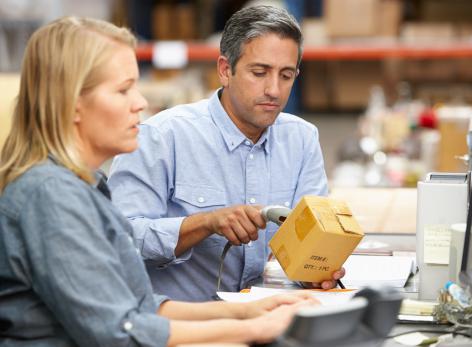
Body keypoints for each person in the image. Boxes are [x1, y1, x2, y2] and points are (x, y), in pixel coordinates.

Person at [0, 16, 318, 346]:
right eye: (123, 90)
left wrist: (249, 311)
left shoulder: (86, 186)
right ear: (72, 103)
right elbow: (118, 331)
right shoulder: (51, 196)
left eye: (287, 75)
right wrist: (250, 329)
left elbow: (141, 307)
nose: (140, 102)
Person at [108, 5, 345, 302]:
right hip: (184, 327)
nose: (274, 89)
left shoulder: (301, 139)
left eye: (286, 76)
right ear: (225, 70)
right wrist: (206, 223)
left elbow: (311, 246)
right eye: (259, 72)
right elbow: (119, 239)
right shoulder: (162, 137)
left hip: (265, 318)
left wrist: (314, 272)